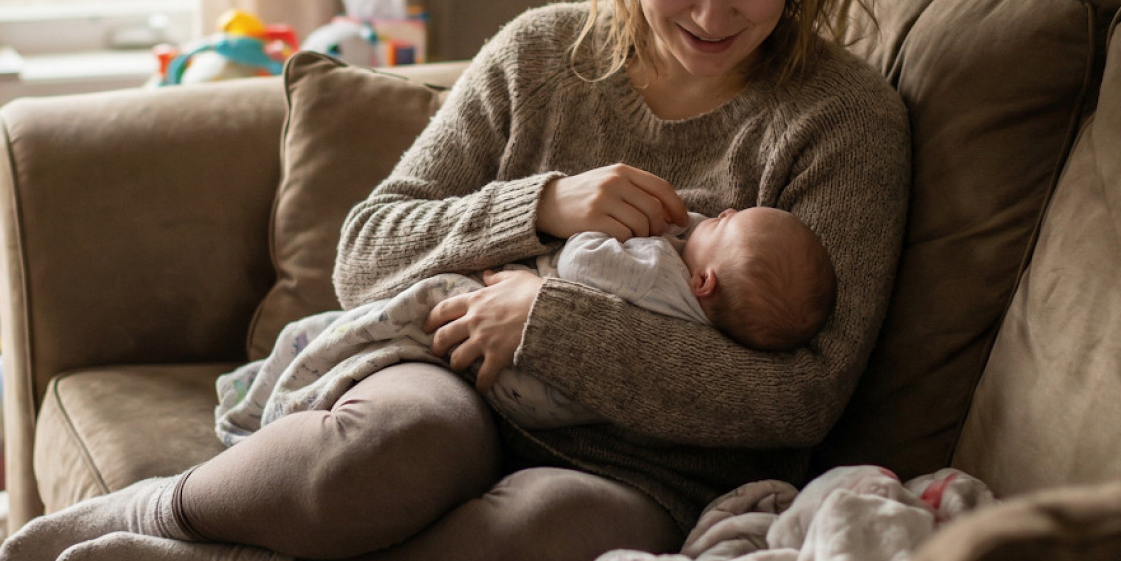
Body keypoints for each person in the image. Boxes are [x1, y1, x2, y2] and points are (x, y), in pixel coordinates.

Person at [0, 0, 909, 561]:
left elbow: (803, 394)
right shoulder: (540, 57)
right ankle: (157, 508)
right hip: (451, 378)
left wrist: (551, 325)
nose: (712, 14)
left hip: (644, 464)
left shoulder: (843, 121)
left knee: (560, 539)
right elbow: (364, 252)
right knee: (386, 449)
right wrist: (540, 205)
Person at [216, 205, 837, 441]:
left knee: (417, 308)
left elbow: (581, 259)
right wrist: (544, 199)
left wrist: (548, 302)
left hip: (528, 380)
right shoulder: (707, 320)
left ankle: (275, 398)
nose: (718, 211)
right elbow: (363, 256)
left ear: (705, 282)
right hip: (568, 406)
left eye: (726, 223)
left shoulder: (657, 264)